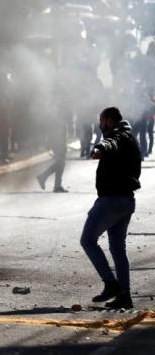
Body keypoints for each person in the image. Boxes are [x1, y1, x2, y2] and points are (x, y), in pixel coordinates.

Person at [81, 107, 141, 310]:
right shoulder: (129, 137)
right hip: (126, 201)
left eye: (102, 121)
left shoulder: (117, 136)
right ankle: (125, 296)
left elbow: (110, 143)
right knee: (117, 248)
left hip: (111, 201)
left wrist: (99, 148)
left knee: (88, 240)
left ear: (108, 120)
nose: (100, 124)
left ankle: (110, 283)